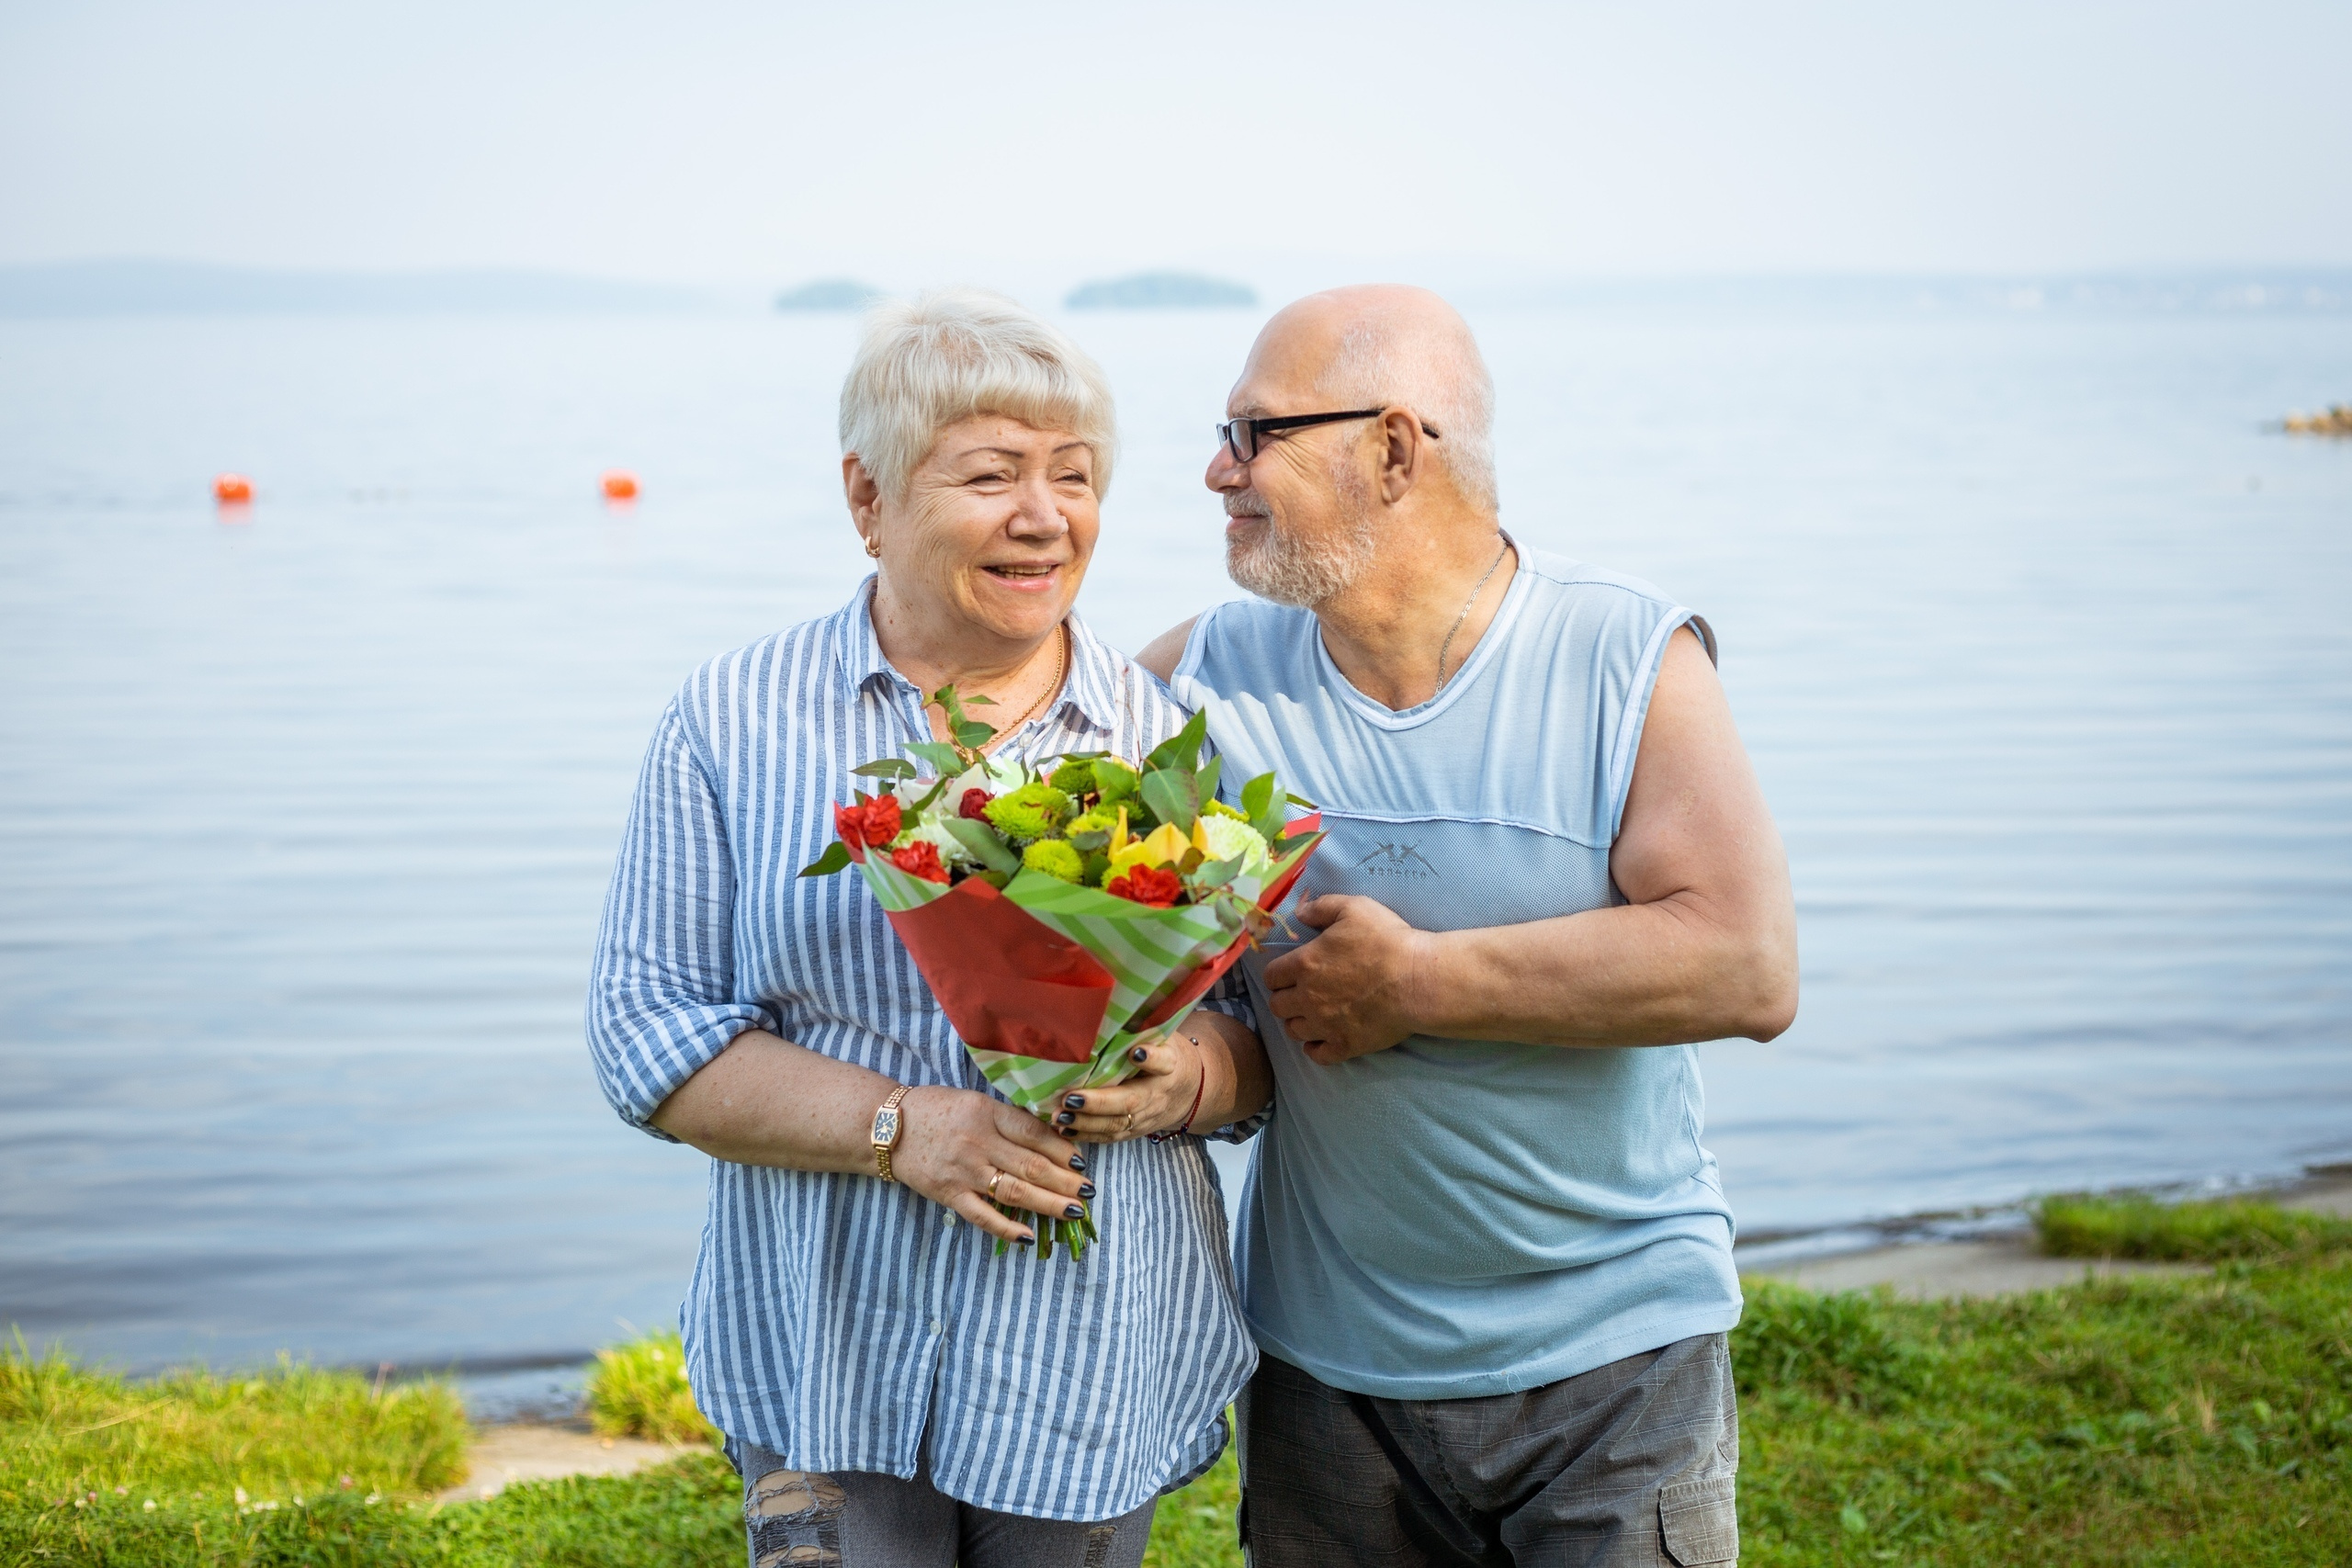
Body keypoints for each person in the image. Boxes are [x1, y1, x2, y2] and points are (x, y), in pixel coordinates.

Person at [589, 289, 1272, 1568]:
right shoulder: (734, 720)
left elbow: (1267, 1049)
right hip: (825, 1347)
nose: (1044, 515)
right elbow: (647, 1038)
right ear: (869, 499)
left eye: (1075, 476)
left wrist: (1185, 1076)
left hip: (1085, 1360)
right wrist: (904, 1130)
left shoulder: (1169, 742)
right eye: (991, 474)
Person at [1136, 286, 1799, 1567]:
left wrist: (1421, 983)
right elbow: (1018, 782)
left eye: (1256, 432)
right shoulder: (1204, 674)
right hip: (1326, 1374)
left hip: (1617, 1368)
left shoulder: (1624, 653)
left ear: (1394, 448)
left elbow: (1747, 963)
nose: (1218, 470)